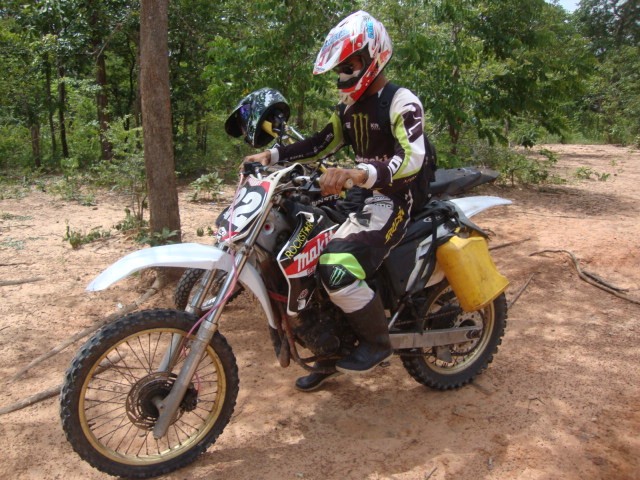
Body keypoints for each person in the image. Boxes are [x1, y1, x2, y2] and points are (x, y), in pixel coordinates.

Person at [243, 10, 434, 391]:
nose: (343, 74)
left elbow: (413, 158)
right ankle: (328, 349)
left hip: (394, 199)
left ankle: (377, 343)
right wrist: (272, 156)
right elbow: (319, 143)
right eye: (340, 68)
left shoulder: (401, 101)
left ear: (373, 56)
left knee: (337, 267)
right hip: (362, 196)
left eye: (350, 65)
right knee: (303, 253)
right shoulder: (349, 110)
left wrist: (360, 174)